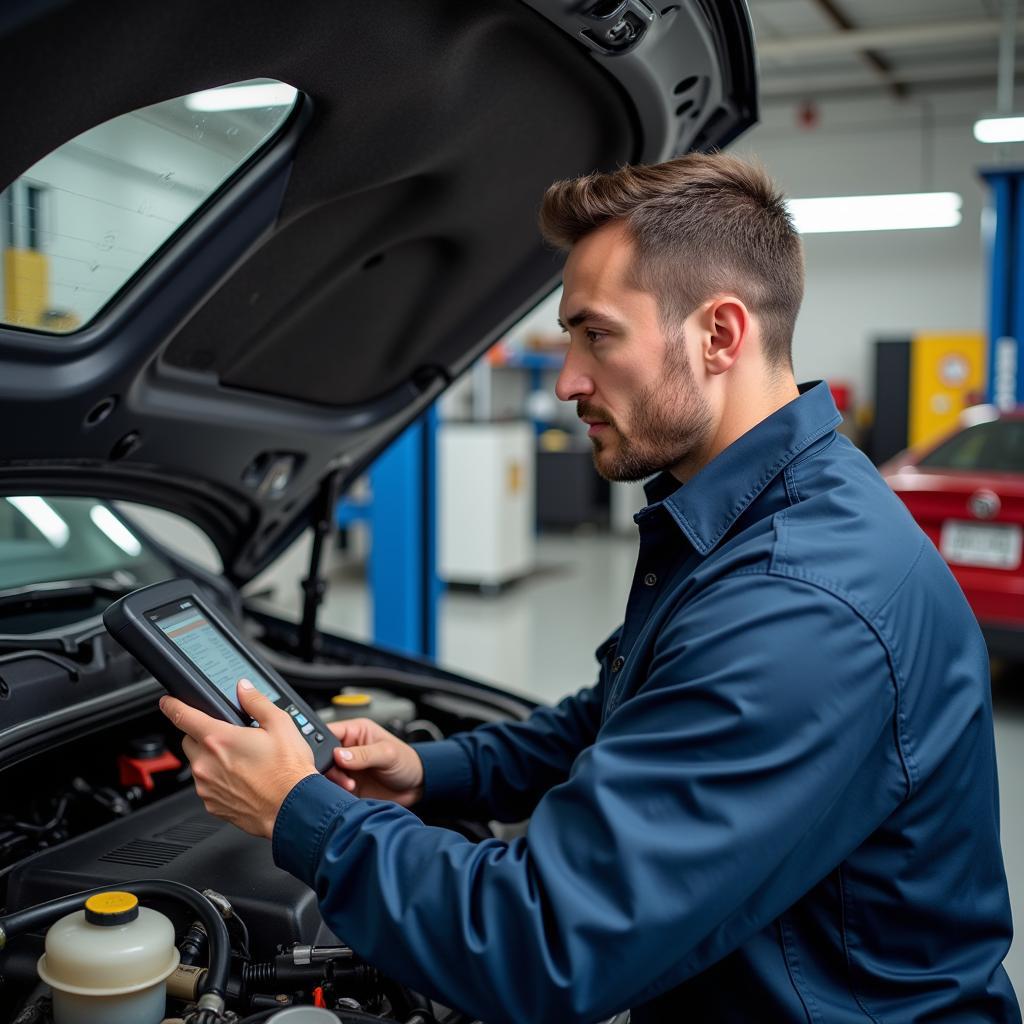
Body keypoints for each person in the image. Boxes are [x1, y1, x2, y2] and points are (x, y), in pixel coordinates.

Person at [160, 154, 1020, 1023]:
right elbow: (628, 709)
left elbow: (541, 944)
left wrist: (300, 814)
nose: (569, 378)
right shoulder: (754, 510)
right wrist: (428, 770)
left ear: (720, 335)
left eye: (596, 334)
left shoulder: (800, 602)